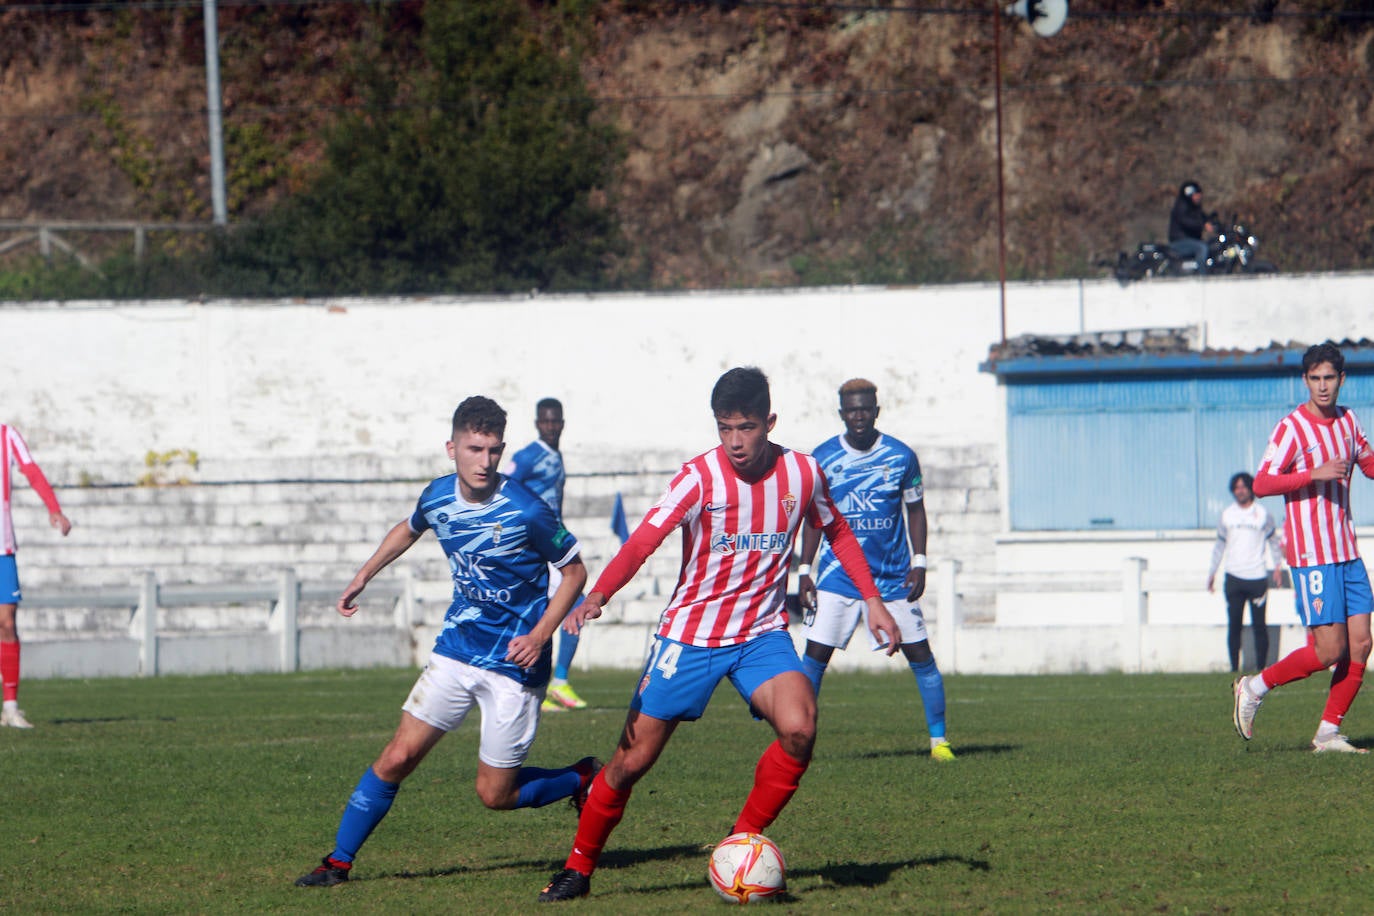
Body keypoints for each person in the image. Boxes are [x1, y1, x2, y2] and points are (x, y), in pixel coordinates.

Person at [537, 367, 901, 902]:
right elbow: (642, 541)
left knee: (800, 728)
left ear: (769, 422)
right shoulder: (699, 477)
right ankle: (578, 867)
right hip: (690, 637)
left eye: (746, 427)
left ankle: (740, 843)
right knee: (630, 764)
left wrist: (874, 601)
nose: (734, 441)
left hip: (761, 635)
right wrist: (599, 595)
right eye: (724, 427)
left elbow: (839, 532)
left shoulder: (803, 473)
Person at [295, 396, 599, 887]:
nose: (485, 461)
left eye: (494, 450)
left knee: (494, 794)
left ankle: (581, 777)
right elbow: (410, 528)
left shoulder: (526, 509)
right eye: (475, 449)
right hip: (457, 649)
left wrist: (540, 635)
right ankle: (338, 863)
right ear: (452, 448)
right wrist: (363, 575)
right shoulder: (437, 495)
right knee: (397, 756)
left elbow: (575, 572)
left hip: (514, 662)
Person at [796, 378, 955, 761]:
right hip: (837, 576)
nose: (859, 416)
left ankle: (939, 743)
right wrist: (804, 570)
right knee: (814, 658)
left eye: (865, 409)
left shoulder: (901, 456)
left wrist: (920, 562)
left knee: (921, 657)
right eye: (852, 410)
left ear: (876, 411)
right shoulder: (822, 458)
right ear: (842, 413)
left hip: (892, 576)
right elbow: (814, 518)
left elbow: (915, 510)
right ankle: (797, 743)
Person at [1232, 342, 1374, 754]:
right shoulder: (1292, 428)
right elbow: (1262, 483)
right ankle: (1254, 687)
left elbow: (1368, 465)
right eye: (1315, 378)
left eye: (1329, 378)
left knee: (1361, 644)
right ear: (1305, 380)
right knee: (1330, 649)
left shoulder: (1349, 421)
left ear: (1341, 379)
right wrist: (1312, 474)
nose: (1323, 386)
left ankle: (1328, 733)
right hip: (1313, 555)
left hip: (1347, 551)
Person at [503, 397, 587, 713]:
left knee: (559, 609)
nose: (551, 426)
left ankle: (541, 683)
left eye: (556, 421)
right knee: (575, 604)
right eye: (546, 421)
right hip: (538, 545)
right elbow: (505, 488)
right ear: (538, 424)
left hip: (554, 542)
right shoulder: (527, 457)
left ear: (562, 424)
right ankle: (557, 682)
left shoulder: (555, 455)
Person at [0, 423, 72, 729]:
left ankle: (10, 707)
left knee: (6, 622)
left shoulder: (7, 435)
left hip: (2, 547)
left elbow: (31, 470)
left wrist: (54, 508)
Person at [1206, 472, 1284, 673]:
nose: (1240, 491)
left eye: (1243, 487)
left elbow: (1274, 542)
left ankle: (1261, 669)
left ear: (1251, 488)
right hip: (1233, 577)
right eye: (1236, 488)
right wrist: (1212, 572)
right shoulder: (1227, 515)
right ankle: (1234, 667)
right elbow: (1219, 545)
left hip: (1257, 577)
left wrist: (1278, 566)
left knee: (1259, 625)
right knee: (1234, 625)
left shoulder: (1263, 514)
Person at [1167, 180, 1215, 274]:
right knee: (1202, 248)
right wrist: (1203, 225)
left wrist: (1212, 221)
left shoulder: (1194, 208)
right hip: (1180, 241)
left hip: (1189, 240)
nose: (1199, 197)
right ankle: (1203, 276)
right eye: (1196, 195)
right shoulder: (1182, 206)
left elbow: (1203, 217)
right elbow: (1186, 221)